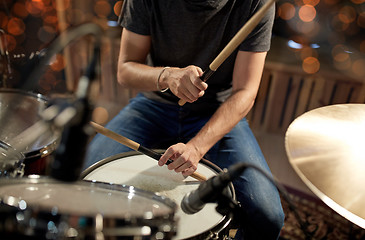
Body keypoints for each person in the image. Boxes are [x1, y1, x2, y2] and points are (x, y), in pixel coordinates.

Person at [84, 0, 285, 239]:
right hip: (153, 105)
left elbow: (245, 92)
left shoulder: (256, 3)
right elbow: (125, 70)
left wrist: (197, 147)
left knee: (268, 216)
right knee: (86, 186)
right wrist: (167, 76)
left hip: (217, 111)